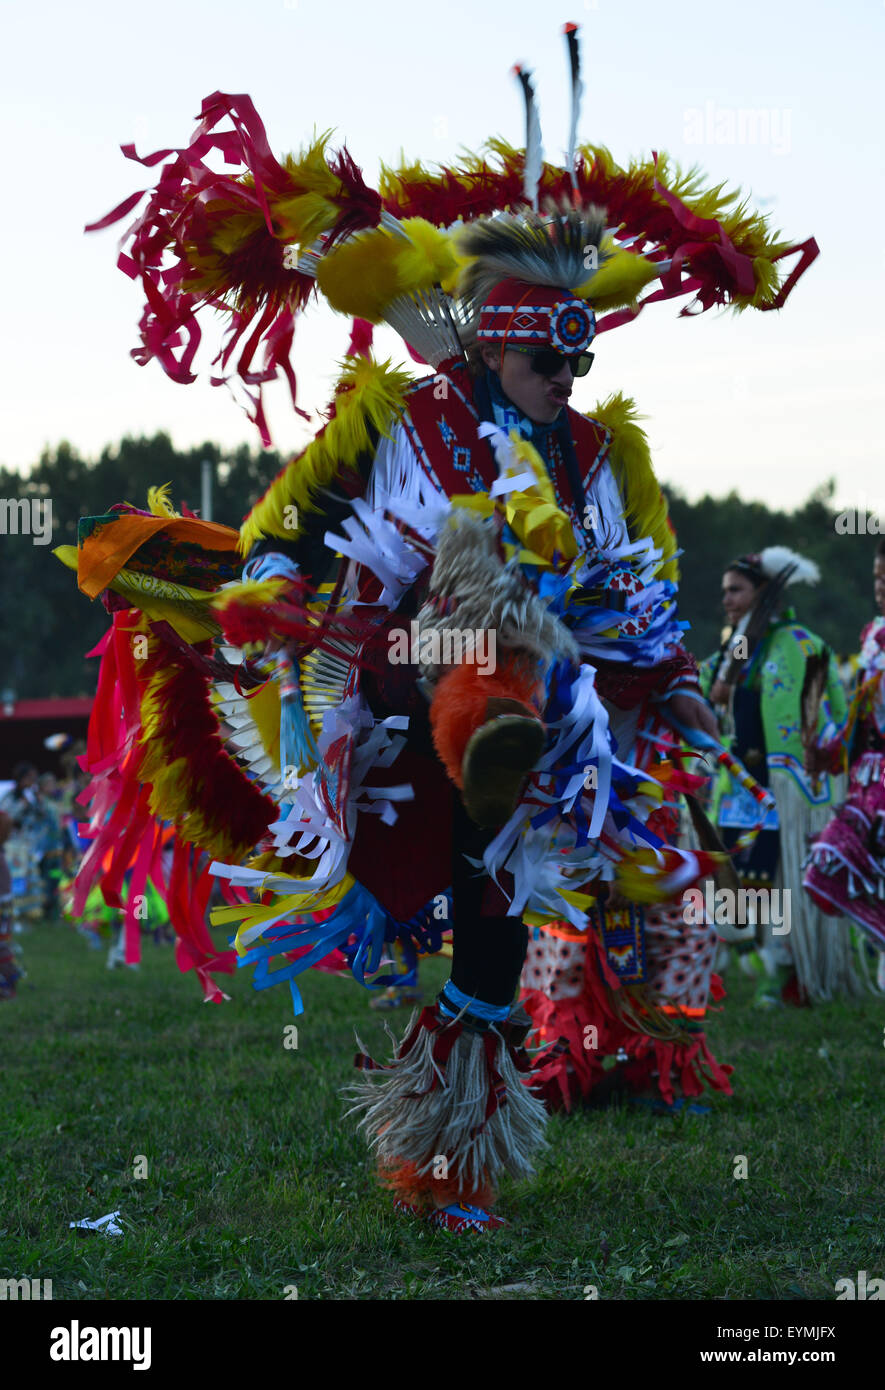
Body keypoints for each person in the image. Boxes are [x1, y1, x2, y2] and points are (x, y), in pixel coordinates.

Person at [64, 26, 817, 1232]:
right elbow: (287, 531)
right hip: (395, 684)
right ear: (502, 342)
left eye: (579, 361)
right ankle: (489, 727)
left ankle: (446, 1166)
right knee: (474, 566)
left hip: (533, 719)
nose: (568, 382)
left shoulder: (591, 452)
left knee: (490, 948)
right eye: (549, 362)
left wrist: (673, 680)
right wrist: (263, 592)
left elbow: (627, 582)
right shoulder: (397, 423)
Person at [700, 547, 866, 1005]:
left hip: (786, 788)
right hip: (739, 786)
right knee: (737, 877)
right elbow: (708, 683)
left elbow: (826, 718)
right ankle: (741, 957)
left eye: (736, 590)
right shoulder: (739, 644)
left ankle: (785, 970)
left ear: (763, 591)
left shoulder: (802, 645)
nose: (727, 599)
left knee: (782, 879)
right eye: (724, 592)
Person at [803, 538, 885, 985]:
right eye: (877, 578)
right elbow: (861, 715)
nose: (880, 588)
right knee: (830, 865)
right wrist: (829, 751)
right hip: (870, 783)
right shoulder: (875, 637)